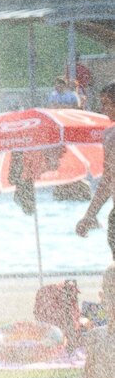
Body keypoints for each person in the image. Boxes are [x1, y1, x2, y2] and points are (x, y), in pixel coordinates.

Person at [76, 82, 115, 260]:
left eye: (106, 103)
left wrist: (89, 216)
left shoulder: (110, 136)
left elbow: (108, 180)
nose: (102, 108)